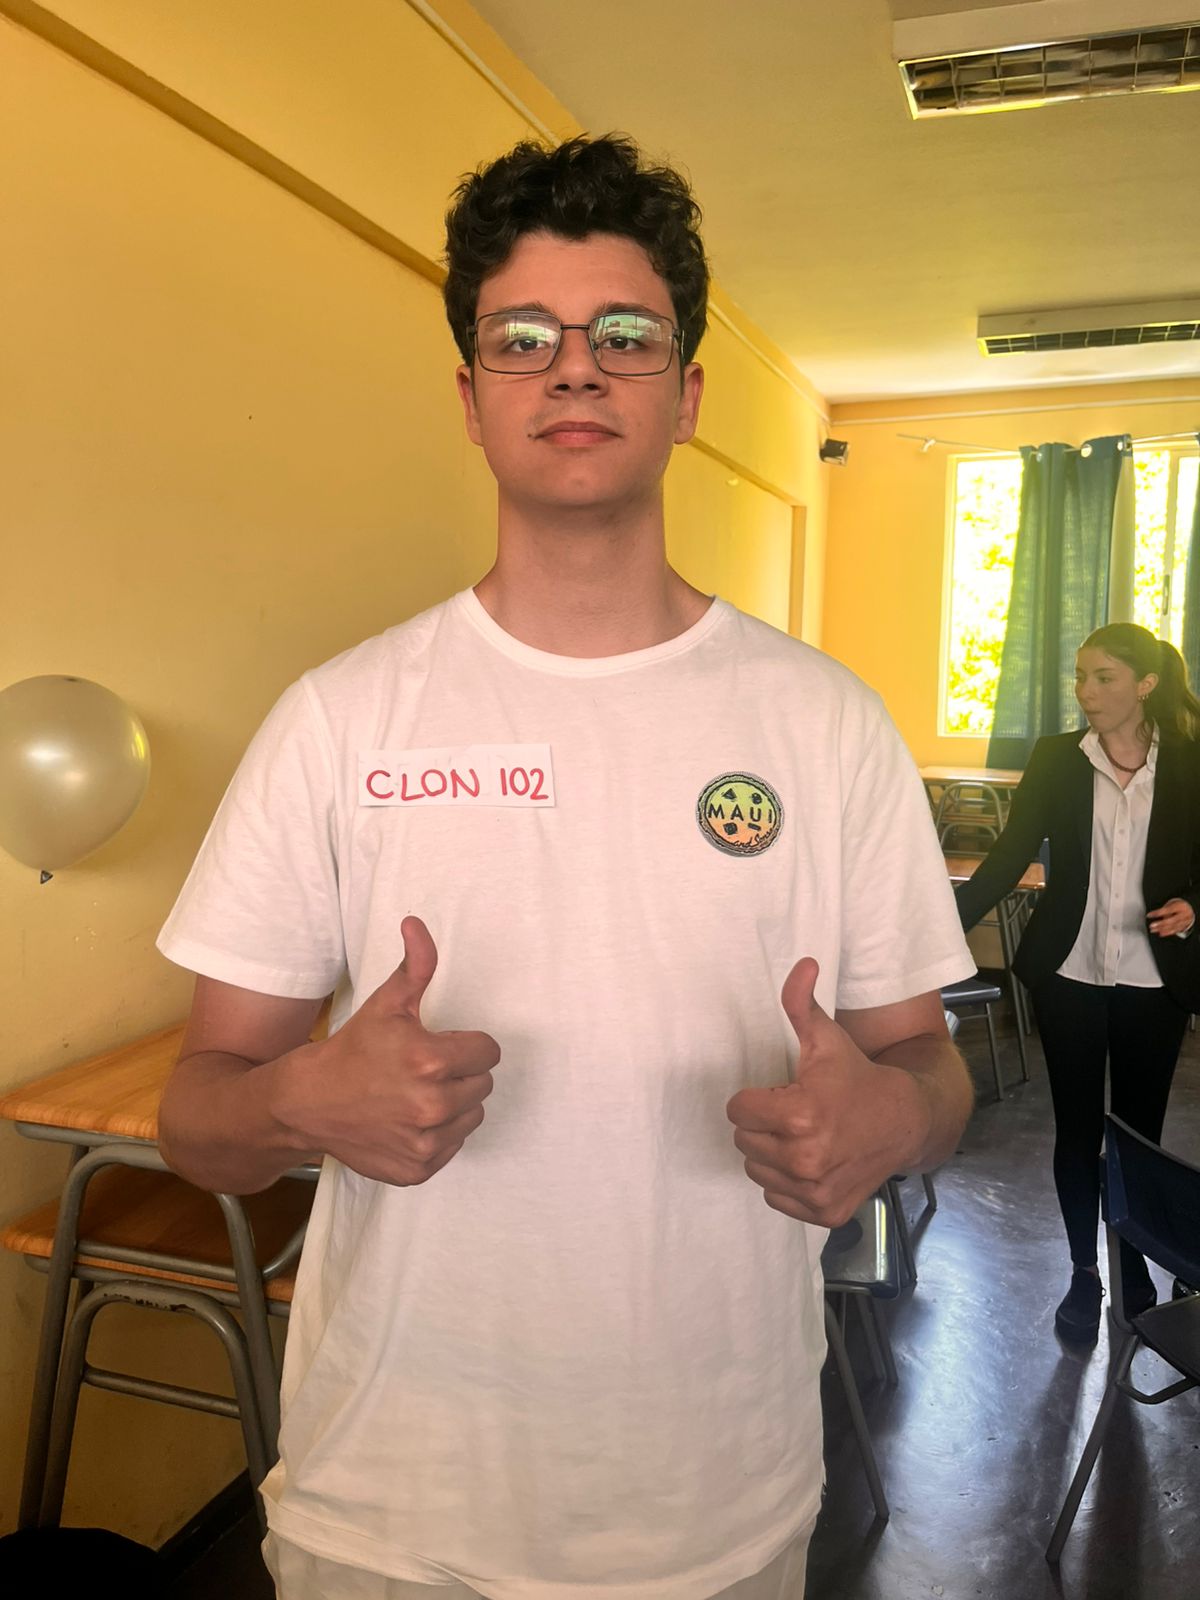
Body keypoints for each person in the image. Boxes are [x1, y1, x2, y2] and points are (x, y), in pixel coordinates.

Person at [155, 135, 976, 1600]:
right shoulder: (342, 718)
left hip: (718, 1509)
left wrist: (897, 1116)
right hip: (389, 1514)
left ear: (688, 395)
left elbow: (932, 1068)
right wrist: (293, 1101)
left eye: (625, 336)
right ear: (471, 397)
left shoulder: (826, 722)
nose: (575, 370)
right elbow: (197, 1121)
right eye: (523, 338)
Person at [956, 622, 1200, 1343]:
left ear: (1145, 684)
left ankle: (1133, 1262)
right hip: (1068, 973)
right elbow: (1009, 857)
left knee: (1138, 1134)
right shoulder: (1057, 758)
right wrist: (933, 927)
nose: (1085, 691)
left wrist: (1197, 906)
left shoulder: (1189, 760)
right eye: (1080, 676)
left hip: (1155, 979)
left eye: (1103, 677)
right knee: (1077, 1131)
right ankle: (1083, 1272)